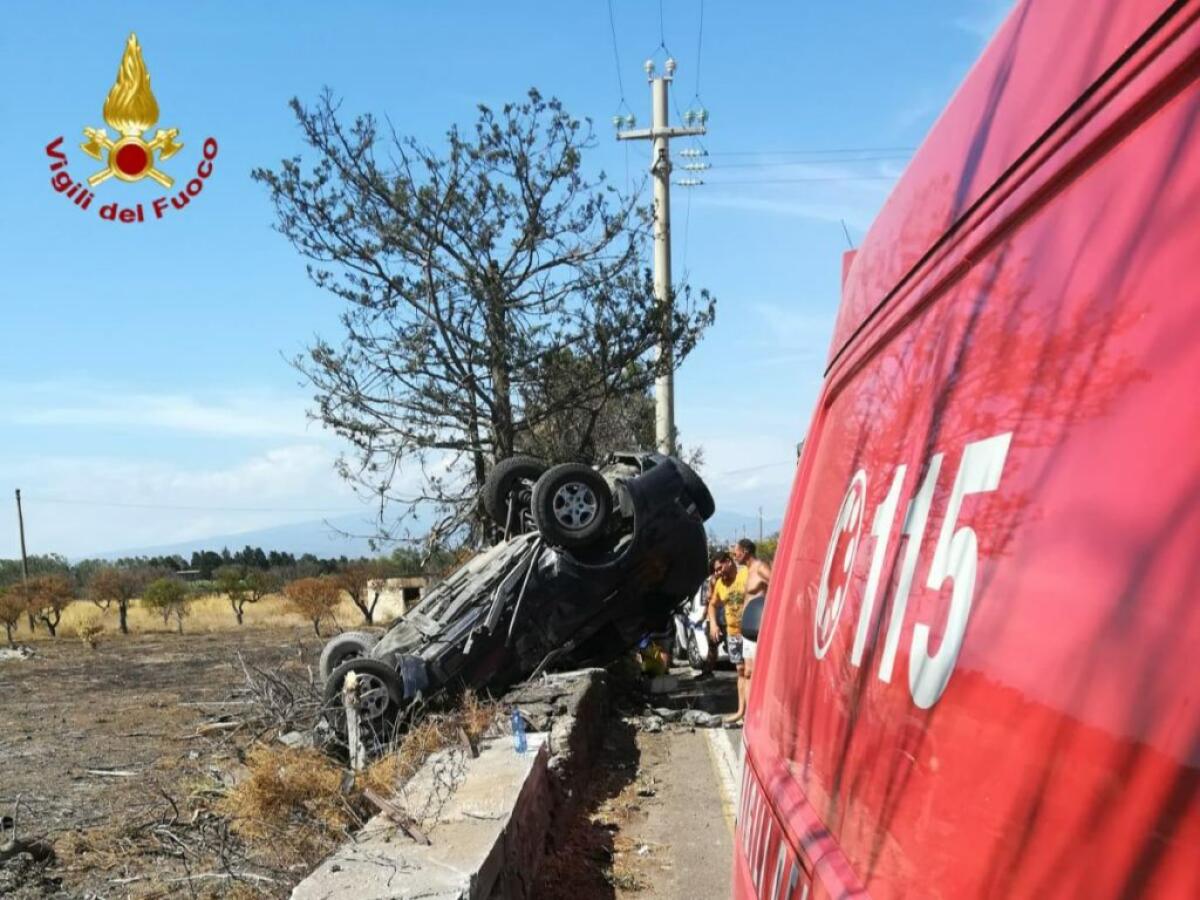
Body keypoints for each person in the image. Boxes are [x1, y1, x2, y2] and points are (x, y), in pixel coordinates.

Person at [708, 552, 749, 724]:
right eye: (715, 571)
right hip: (733, 634)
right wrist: (713, 624)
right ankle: (741, 711)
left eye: (719, 568)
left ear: (729, 562)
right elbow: (712, 604)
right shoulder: (719, 584)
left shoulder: (746, 574)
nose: (718, 573)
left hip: (751, 633)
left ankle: (753, 710)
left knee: (752, 671)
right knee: (740, 672)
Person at [732, 538, 771, 683]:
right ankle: (748, 706)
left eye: (736, 552)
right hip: (747, 629)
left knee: (755, 672)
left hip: (758, 628)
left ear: (745, 551)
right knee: (747, 672)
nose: (734, 555)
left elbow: (777, 587)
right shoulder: (747, 571)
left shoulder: (761, 568)